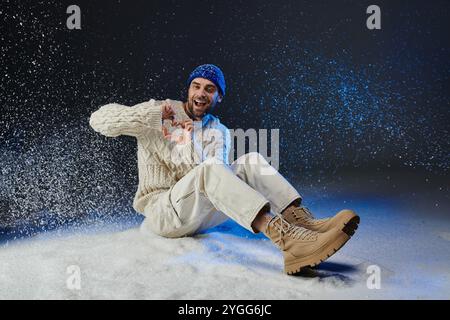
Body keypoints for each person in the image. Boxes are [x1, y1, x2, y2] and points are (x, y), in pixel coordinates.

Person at [89, 64, 360, 274]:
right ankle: (289, 241)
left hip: (199, 215)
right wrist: (154, 115)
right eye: (196, 86)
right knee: (212, 169)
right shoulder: (160, 111)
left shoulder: (219, 131)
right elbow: (100, 120)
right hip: (163, 213)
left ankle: (303, 223)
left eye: (209, 89)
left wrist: (188, 137)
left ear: (219, 96)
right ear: (188, 89)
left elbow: (209, 176)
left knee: (251, 160)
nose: (201, 93)